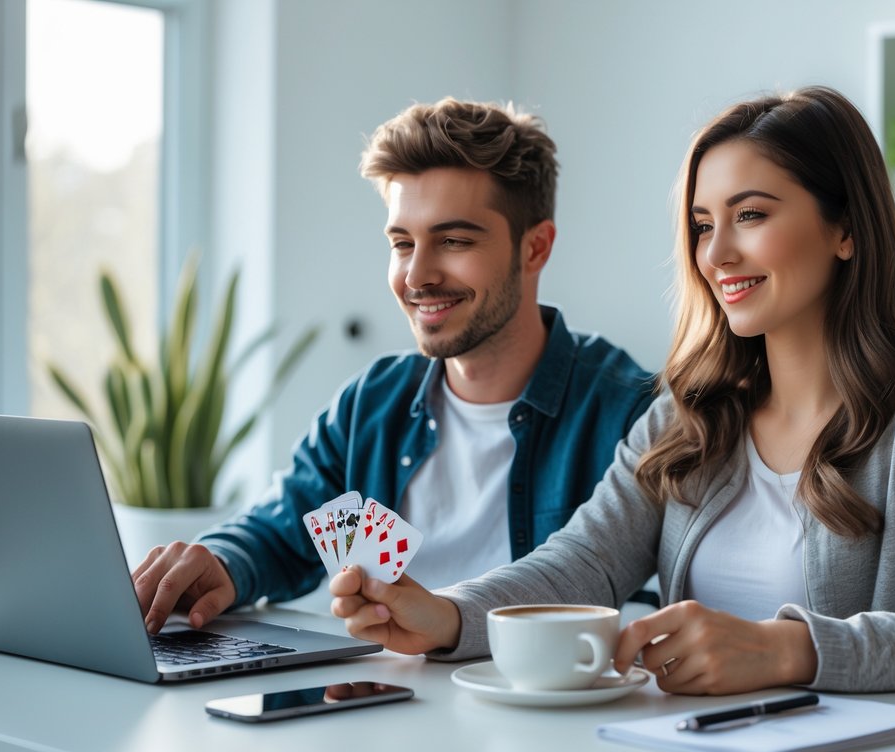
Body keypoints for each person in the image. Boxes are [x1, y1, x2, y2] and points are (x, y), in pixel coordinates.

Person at [329, 86, 895, 697]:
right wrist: (448, 615)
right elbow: (584, 565)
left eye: (750, 216)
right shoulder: (685, 416)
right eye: (701, 226)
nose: (716, 253)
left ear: (844, 228)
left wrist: (786, 650)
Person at [132, 98, 656, 635]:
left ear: (535, 248)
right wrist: (217, 561)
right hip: (380, 704)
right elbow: (280, 529)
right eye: (403, 243)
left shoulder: (631, 415)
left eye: (453, 241)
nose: (417, 276)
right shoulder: (372, 402)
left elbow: (640, 598)